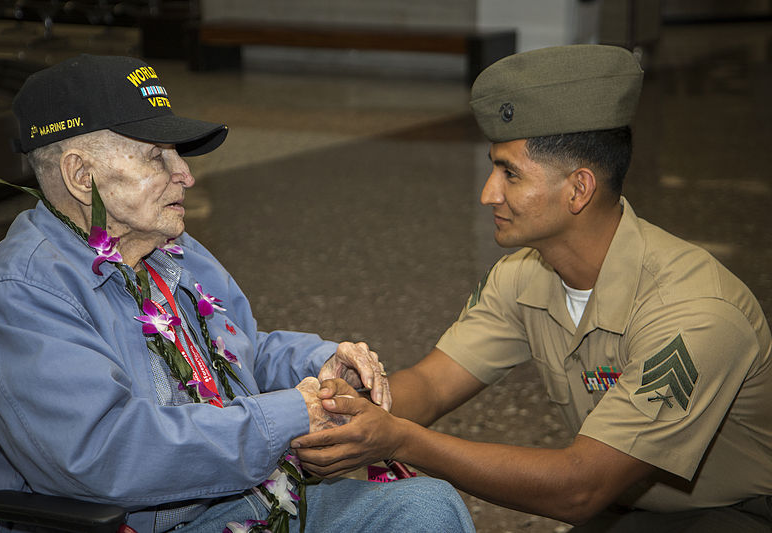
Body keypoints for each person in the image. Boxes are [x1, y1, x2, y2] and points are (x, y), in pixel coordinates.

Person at [0, 54, 475, 533]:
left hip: (244, 504)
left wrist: (322, 364)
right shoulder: (23, 293)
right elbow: (108, 455)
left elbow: (240, 352)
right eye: (156, 157)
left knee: (428, 507)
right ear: (82, 176)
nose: (185, 175)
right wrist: (294, 413)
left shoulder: (173, 248)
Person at [292, 44, 772, 532]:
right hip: (621, 511)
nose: (488, 193)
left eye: (511, 174)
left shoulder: (694, 312)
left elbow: (579, 486)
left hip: (737, 515)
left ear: (578, 189)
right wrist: (346, 407)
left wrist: (398, 441)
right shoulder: (524, 275)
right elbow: (434, 384)